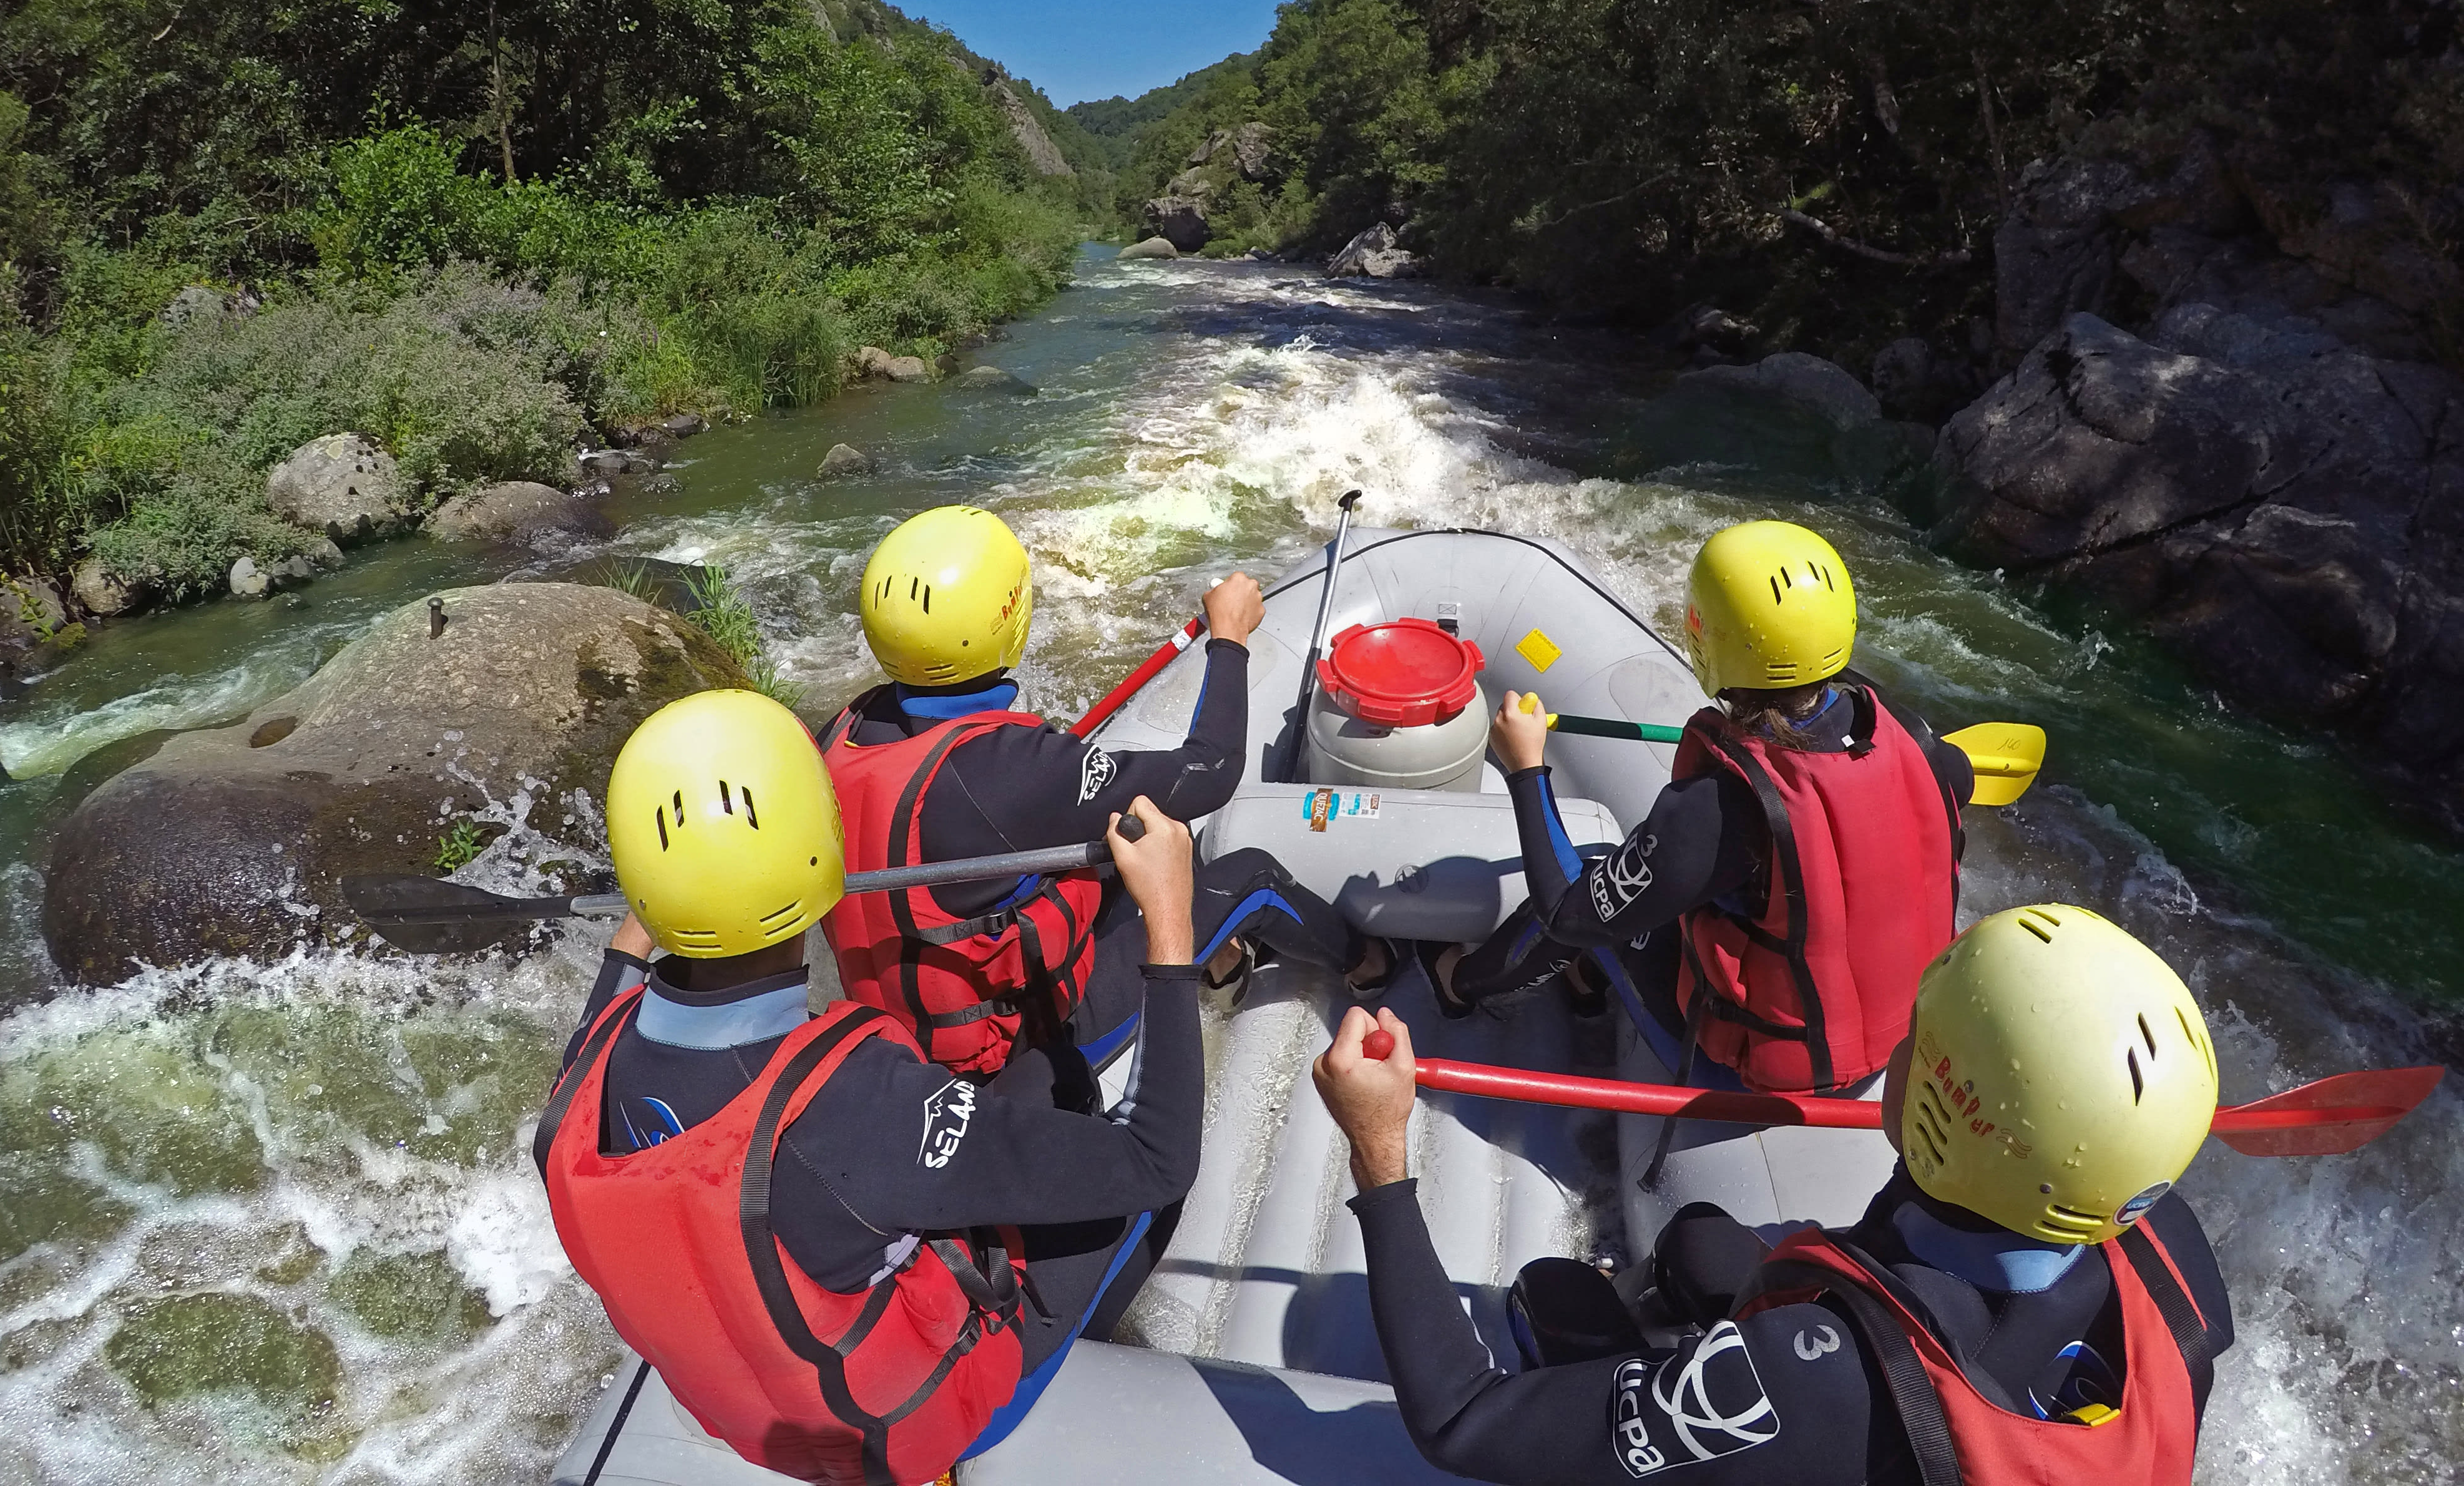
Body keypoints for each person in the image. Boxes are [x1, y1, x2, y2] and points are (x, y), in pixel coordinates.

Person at [538, 690, 1212, 1486]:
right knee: (1107, 1138)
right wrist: (1170, 931)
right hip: (907, 1428)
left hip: (750, 1412)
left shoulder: (576, 1084)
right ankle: (1065, 1347)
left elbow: (623, 970)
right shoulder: (861, 1105)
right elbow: (1159, 1158)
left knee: (1032, 1077)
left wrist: (675, 892)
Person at [1314, 903, 2234, 1485]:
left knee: (1557, 1298)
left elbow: (1461, 1418)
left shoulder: (1809, 1378)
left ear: (1944, 1108)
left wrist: (1379, 1153)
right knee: (1700, 1247)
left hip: (1864, 1412)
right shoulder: (2170, 1245)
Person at [818, 503, 1387, 1078]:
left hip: (901, 1038)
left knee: (1153, 832)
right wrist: (1229, 638)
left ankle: (1221, 967)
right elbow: (1211, 769)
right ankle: (1368, 963)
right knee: (1254, 877)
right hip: (1028, 1052)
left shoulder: (841, 732)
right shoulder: (1012, 768)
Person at [1429, 520, 1972, 1098]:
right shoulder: (1921, 746)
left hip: (1779, 1058)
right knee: (1716, 890)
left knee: (1589, 869)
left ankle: (1459, 984)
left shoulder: (1723, 810)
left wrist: (1525, 766)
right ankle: (1588, 980)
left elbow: (1568, 909)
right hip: (1899, 1035)